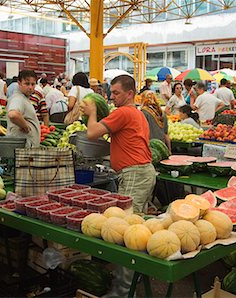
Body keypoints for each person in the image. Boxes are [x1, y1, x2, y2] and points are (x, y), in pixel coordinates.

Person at [80, 75, 156, 297]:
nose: (112, 97)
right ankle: (136, 277)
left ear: (130, 93)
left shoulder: (123, 112)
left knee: (128, 230)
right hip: (140, 172)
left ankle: (125, 289)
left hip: (135, 173)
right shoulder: (136, 113)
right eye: (110, 93)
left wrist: (92, 111)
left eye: (117, 93)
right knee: (137, 226)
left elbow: (92, 133)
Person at [7, 70, 41, 148]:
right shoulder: (18, 98)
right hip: (22, 150)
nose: (30, 87)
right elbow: (13, 114)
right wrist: (26, 127)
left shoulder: (24, 98)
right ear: (19, 83)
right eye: (27, 84)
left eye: (33, 84)